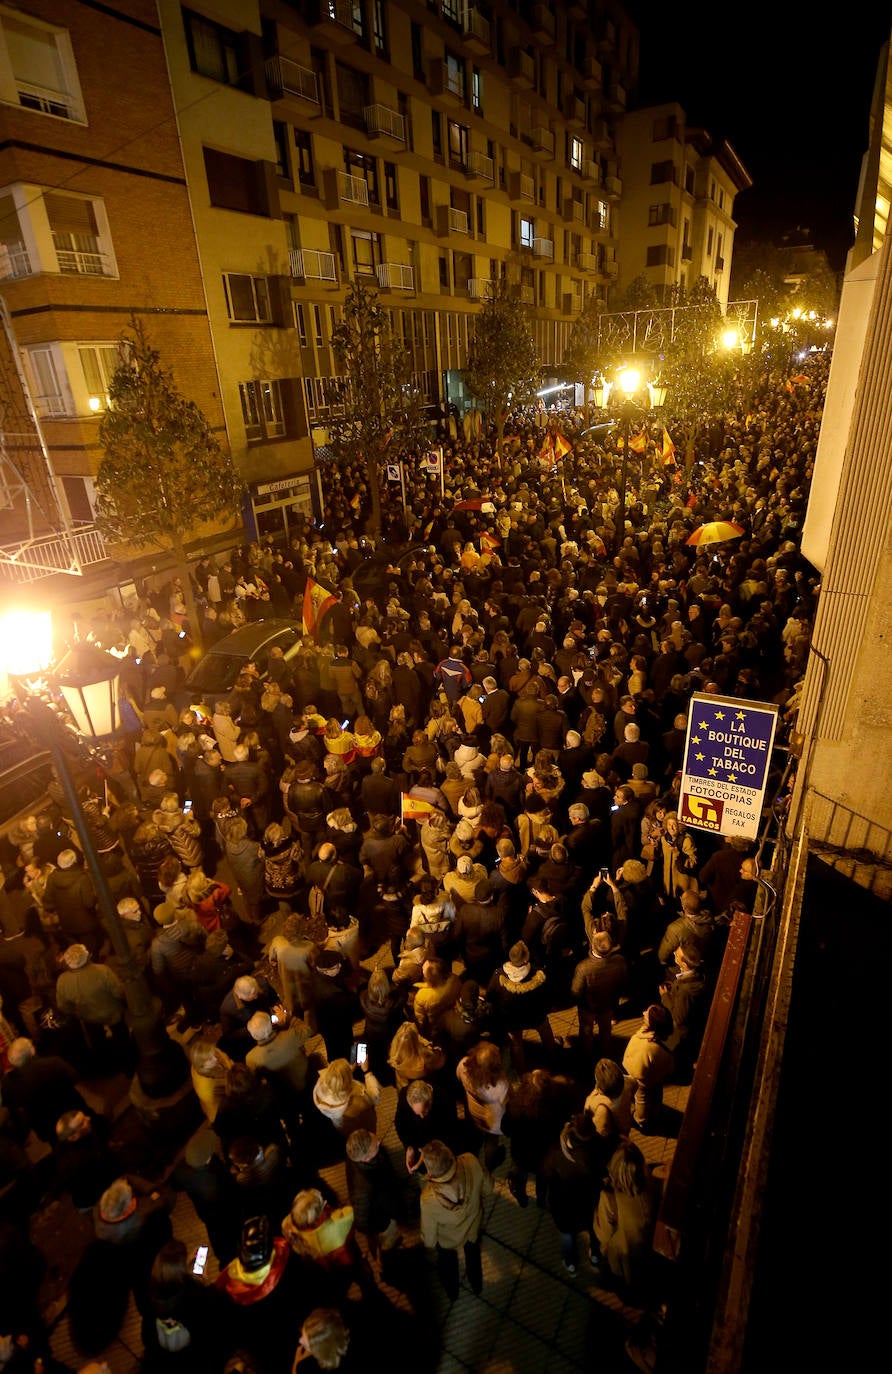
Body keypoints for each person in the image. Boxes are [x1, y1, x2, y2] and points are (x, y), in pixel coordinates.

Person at [411, 1138, 485, 1299]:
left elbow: (429, 1237)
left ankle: (452, 1292)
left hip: (448, 1240)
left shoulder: (428, 1198)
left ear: (430, 1170)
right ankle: (477, 1285)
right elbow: (488, 1186)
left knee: (447, 1264)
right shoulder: (470, 1160)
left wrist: (428, 1242)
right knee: (473, 1255)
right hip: (473, 1225)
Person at [591, 1140, 660, 1298]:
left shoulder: (609, 1197)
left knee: (625, 1281)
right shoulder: (649, 1182)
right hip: (645, 1247)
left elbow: (604, 1234)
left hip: (624, 1253)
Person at [344, 1129, 402, 1258]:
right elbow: (361, 1218)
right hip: (382, 1221)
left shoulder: (355, 1153)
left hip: (382, 1204)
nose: (379, 1142)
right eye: (375, 1145)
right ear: (366, 1158)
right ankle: (386, 1251)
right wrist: (372, 1231)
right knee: (389, 1238)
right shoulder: (363, 1188)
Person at [455, 1040, 509, 1173]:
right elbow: (506, 1103)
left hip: (474, 1112)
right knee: (491, 1142)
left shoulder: (464, 1065)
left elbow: (458, 1077)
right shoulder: (499, 1085)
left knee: (476, 1135)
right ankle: (490, 1165)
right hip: (492, 1122)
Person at [622, 1005, 675, 1133]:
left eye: (647, 1014)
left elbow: (638, 1067)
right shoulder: (661, 1041)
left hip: (643, 1080)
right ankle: (656, 1113)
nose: (643, 1013)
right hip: (655, 1077)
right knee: (656, 1095)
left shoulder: (646, 1045)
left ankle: (641, 1121)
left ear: (652, 1023)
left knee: (642, 1100)